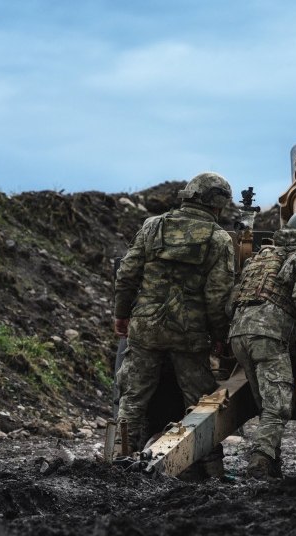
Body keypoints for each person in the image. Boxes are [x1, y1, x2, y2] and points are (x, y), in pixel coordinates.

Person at [112, 172, 236, 477]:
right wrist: (221, 337)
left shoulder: (153, 226)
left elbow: (127, 274)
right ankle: (213, 472)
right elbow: (217, 296)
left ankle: (116, 462)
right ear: (219, 206)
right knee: (202, 405)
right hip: (188, 334)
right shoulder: (219, 239)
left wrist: (122, 314)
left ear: (188, 194)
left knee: (133, 398)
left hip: (145, 328)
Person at [228, 210, 296, 479]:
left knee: (265, 403)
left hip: (239, 333)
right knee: (278, 406)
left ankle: (273, 462)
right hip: (269, 336)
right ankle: (260, 462)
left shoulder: (263, 256)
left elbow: (234, 296)